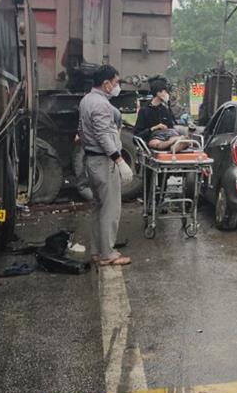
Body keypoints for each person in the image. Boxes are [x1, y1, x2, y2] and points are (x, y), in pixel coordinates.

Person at [79, 65, 134, 267]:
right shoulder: (101, 105)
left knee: (98, 207)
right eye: (116, 82)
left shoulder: (87, 100)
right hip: (104, 161)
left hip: (92, 160)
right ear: (106, 83)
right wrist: (119, 160)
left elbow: (81, 130)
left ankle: (97, 251)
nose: (117, 86)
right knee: (110, 209)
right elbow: (103, 135)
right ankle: (107, 254)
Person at [133, 80, 187, 152]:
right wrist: (154, 128)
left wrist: (166, 128)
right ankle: (173, 144)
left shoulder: (165, 109)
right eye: (165, 92)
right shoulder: (144, 111)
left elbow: (170, 127)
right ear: (158, 93)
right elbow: (137, 134)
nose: (167, 94)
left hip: (168, 135)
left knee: (182, 138)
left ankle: (176, 143)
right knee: (157, 142)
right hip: (154, 137)